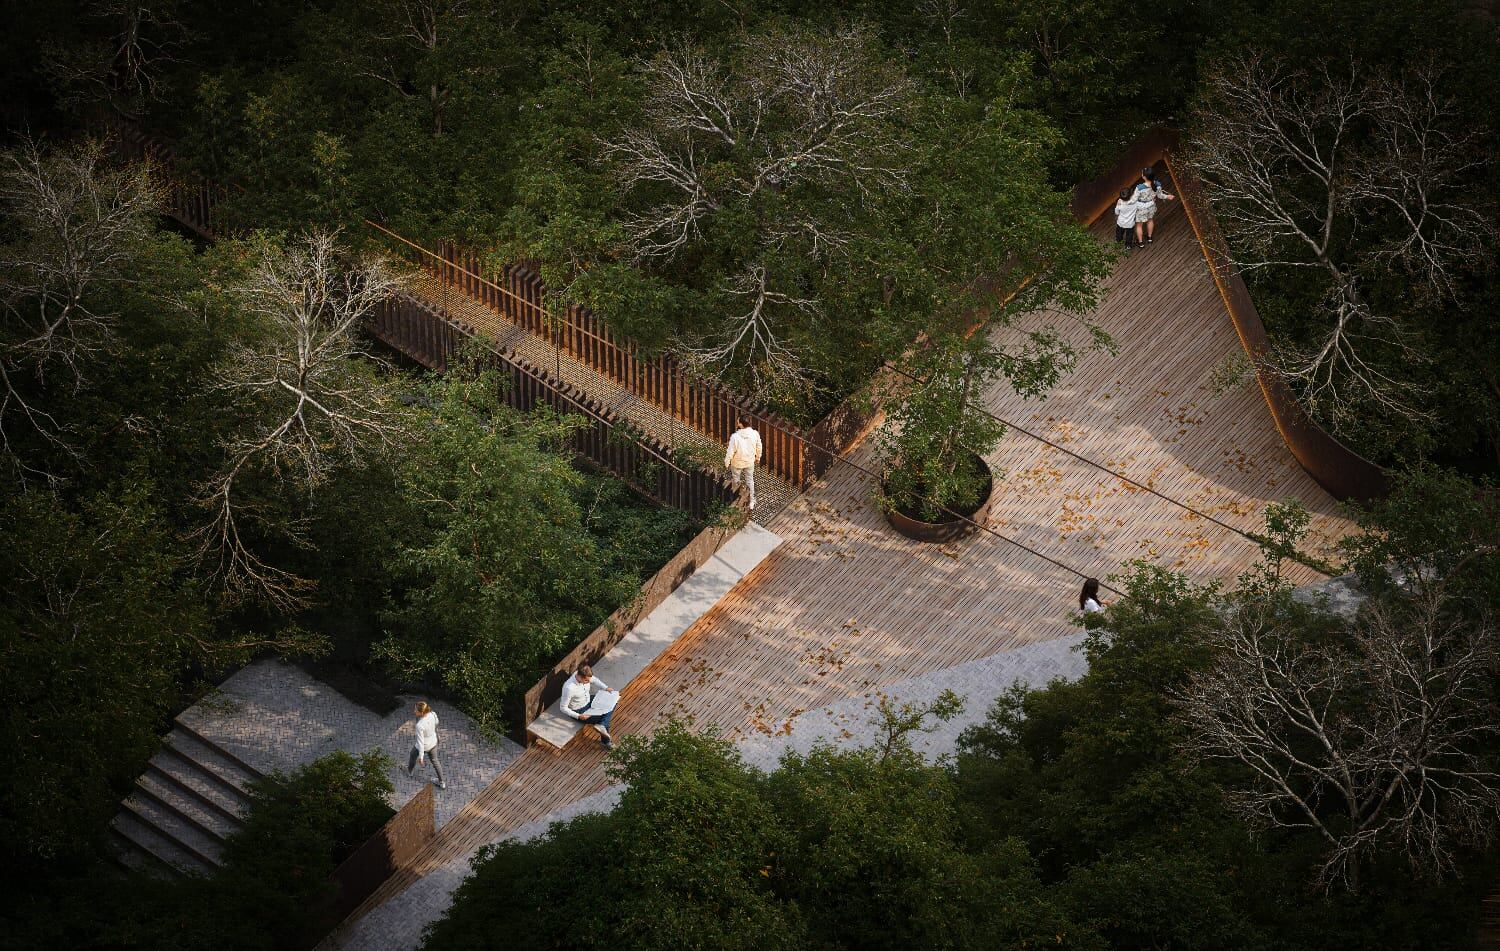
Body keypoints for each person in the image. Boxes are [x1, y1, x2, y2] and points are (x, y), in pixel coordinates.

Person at [559, 664, 619, 749]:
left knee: (613, 701)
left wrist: (606, 688)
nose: (589, 681)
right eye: (586, 680)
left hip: (588, 700)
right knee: (603, 717)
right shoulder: (569, 688)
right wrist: (578, 716)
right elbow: (563, 707)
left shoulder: (585, 676)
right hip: (579, 710)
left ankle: (602, 725)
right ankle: (606, 742)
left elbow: (595, 680)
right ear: (579, 676)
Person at [724, 415, 763, 510]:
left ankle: (738, 499)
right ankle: (752, 501)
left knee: (736, 480)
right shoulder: (755, 434)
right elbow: (759, 447)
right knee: (750, 480)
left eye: (738, 422)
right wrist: (758, 457)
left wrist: (727, 462)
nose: (737, 423)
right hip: (749, 462)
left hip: (737, 463)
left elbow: (730, 452)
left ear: (740, 424)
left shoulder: (735, 437)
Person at [406, 700, 446, 790]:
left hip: (425, 745)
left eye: (416, 710)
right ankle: (442, 782)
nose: (414, 711)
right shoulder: (433, 714)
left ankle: (409, 772)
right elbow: (437, 723)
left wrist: (421, 757)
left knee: (412, 755)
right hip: (433, 743)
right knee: (435, 762)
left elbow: (420, 742)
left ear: (421, 712)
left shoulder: (419, 725)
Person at [1132, 167, 1176, 245]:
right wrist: (1168, 196)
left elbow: (1133, 200)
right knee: (1150, 220)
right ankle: (1149, 238)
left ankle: (1140, 242)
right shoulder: (1157, 184)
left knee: (1139, 225)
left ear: (1144, 177)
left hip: (1141, 208)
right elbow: (1160, 195)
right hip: (1151, 206)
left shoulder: (1139, 188)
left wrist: (1124, 202)